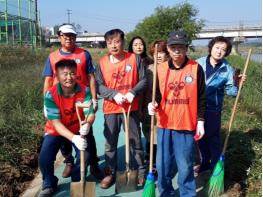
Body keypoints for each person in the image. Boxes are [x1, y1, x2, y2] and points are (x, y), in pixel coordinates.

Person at [148, 31, 206, 197]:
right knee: (162, 164)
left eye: (180, 46)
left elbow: (201, 96)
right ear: (168, 48)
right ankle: (165, 192)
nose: (177, 50)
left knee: (185, 165)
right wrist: (152, 104)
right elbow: (157, 95)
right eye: (173, 47)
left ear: (186, 48)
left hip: (186, 124)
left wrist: (200, 120)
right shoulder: (160, 69)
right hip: (165, 124)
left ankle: (187, 193)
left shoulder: (196, 68)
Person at [42, 23, 102, 179]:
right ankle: (69, 161)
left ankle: (91, 166)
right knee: (63, 139)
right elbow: (48, 80)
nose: (69, 38)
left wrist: (94, 99)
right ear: (59, 36)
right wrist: (45, 102)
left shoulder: (84, 54)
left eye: (72, 36)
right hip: (60, 100)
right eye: (66, 35)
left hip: (81, 100)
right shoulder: (53, 56)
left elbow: (91, 78)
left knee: (87, 136)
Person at [96, 29, 147, 189]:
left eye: (117, 41)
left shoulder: (134, 58)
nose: (113, 45)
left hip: (131, 108)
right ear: (106, 44)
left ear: (123, 42)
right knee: (110, 143)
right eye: (110, 42)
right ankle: (110, 172)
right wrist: (113, 94)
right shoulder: (102, 62)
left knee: (135, 141)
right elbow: (98, 85)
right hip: (111, 108)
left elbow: (144, 80)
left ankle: (139, 171)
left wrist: (133, 91)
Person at [39, 59, 95, 196]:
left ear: (76, 74)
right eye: (64, 74)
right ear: (57, 77)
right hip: (56, 131)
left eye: (72, 73)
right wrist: (74, 138)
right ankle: (49, 183)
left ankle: (77, 180)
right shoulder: (50, 94)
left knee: (85, 155)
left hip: (78, 128)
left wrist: (87, 124)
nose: (69, 77)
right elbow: (56, 123)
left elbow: (90, 113)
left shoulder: (84, 90)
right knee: (44, 158)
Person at [196, 36, 245, 173]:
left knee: (213, 138)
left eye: (223, 50)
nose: (219, 51)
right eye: (217, 47)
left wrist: (237, 83)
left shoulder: (227, 69)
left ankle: (215, 167)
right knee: (200, 137)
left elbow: (231, 92)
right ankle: (204, 162)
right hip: (196, 107)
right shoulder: (198, 64)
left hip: (213, 109)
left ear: (226, 52)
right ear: (211, 47)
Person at [141, 40, 169, 169]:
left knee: (162, 137)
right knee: (150, 134)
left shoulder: (171, 68)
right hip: (150, 107)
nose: (158, 55)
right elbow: (144, 90)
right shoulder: (149, 69)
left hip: (167, 109)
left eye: (161, 52)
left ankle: (161, 163)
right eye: (155, 53)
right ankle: (150, 160)